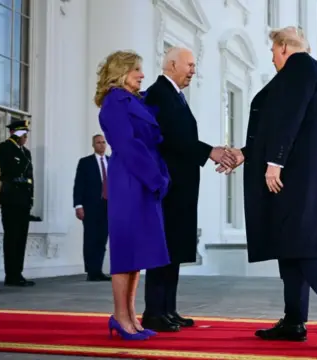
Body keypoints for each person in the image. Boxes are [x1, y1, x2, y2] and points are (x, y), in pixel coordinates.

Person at [220, 27, 317, 350]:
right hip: (302, 180)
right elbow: (277, 124)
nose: (272, 57)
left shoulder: (300, 66)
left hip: (301, 181)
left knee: (306, 250)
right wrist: (246, 154)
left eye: (274, 51)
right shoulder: (307, 73)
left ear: (285, 47)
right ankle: (293, 320)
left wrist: (275, 161)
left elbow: (290, 117)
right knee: (290, 250)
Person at [141, 47, 235, 332]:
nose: (194, 70)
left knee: (176, 247)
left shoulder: (176, 96)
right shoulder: (158, 94)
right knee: (165, 248)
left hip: (181, 186)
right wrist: (211, 152)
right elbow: (170, 138)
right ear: (171, 64)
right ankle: (154, 312)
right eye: (190, 65)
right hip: (168, 185)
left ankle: (168, 309)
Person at [94, 50, 171, 340]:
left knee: (137, 252)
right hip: (130, 178)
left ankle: (131, 317)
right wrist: (155, 178)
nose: (141, 74)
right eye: (136, 69)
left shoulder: (133, 101)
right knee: (126, 252)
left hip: (143, 177)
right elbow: (128, 145)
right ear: (121, 72)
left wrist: (160, 177)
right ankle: (120, 317)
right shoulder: (114, 102)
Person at [0, 119, 36, 287]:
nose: (25, 137)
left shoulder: (26, 153)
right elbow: (10, 169)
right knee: (11, 238)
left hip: (24, 200)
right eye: (22, 134)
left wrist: (31, 198)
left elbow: (30, 178)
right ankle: (10, 275)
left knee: (21, 238)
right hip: (11, 199)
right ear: (14, 133)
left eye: (26, 134)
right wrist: (13, 139)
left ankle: (18, 273)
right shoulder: (5, 147)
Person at [72, 134, 112, 282]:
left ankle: (98, 269)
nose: (101, 145)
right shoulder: (85, 163)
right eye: (98, 143)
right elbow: (79, 185)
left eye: (103, 142)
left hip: (108, 206)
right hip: (90, 206)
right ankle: (91, 271)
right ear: (93, 145)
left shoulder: (111, 161)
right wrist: (78, 205)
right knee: (90, 238)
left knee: (102, 239)